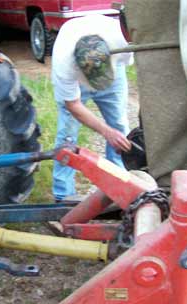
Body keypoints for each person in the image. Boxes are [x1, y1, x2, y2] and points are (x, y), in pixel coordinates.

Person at [51, 14, 133, 202]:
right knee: (67, 137)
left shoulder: (121, 39)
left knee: (120, 127)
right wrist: (106, 132)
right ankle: (63, 195)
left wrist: (114, 132)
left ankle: (118, 187)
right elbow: (73, 105)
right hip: (76, 83)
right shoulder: (64, 66)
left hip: (112, 67)